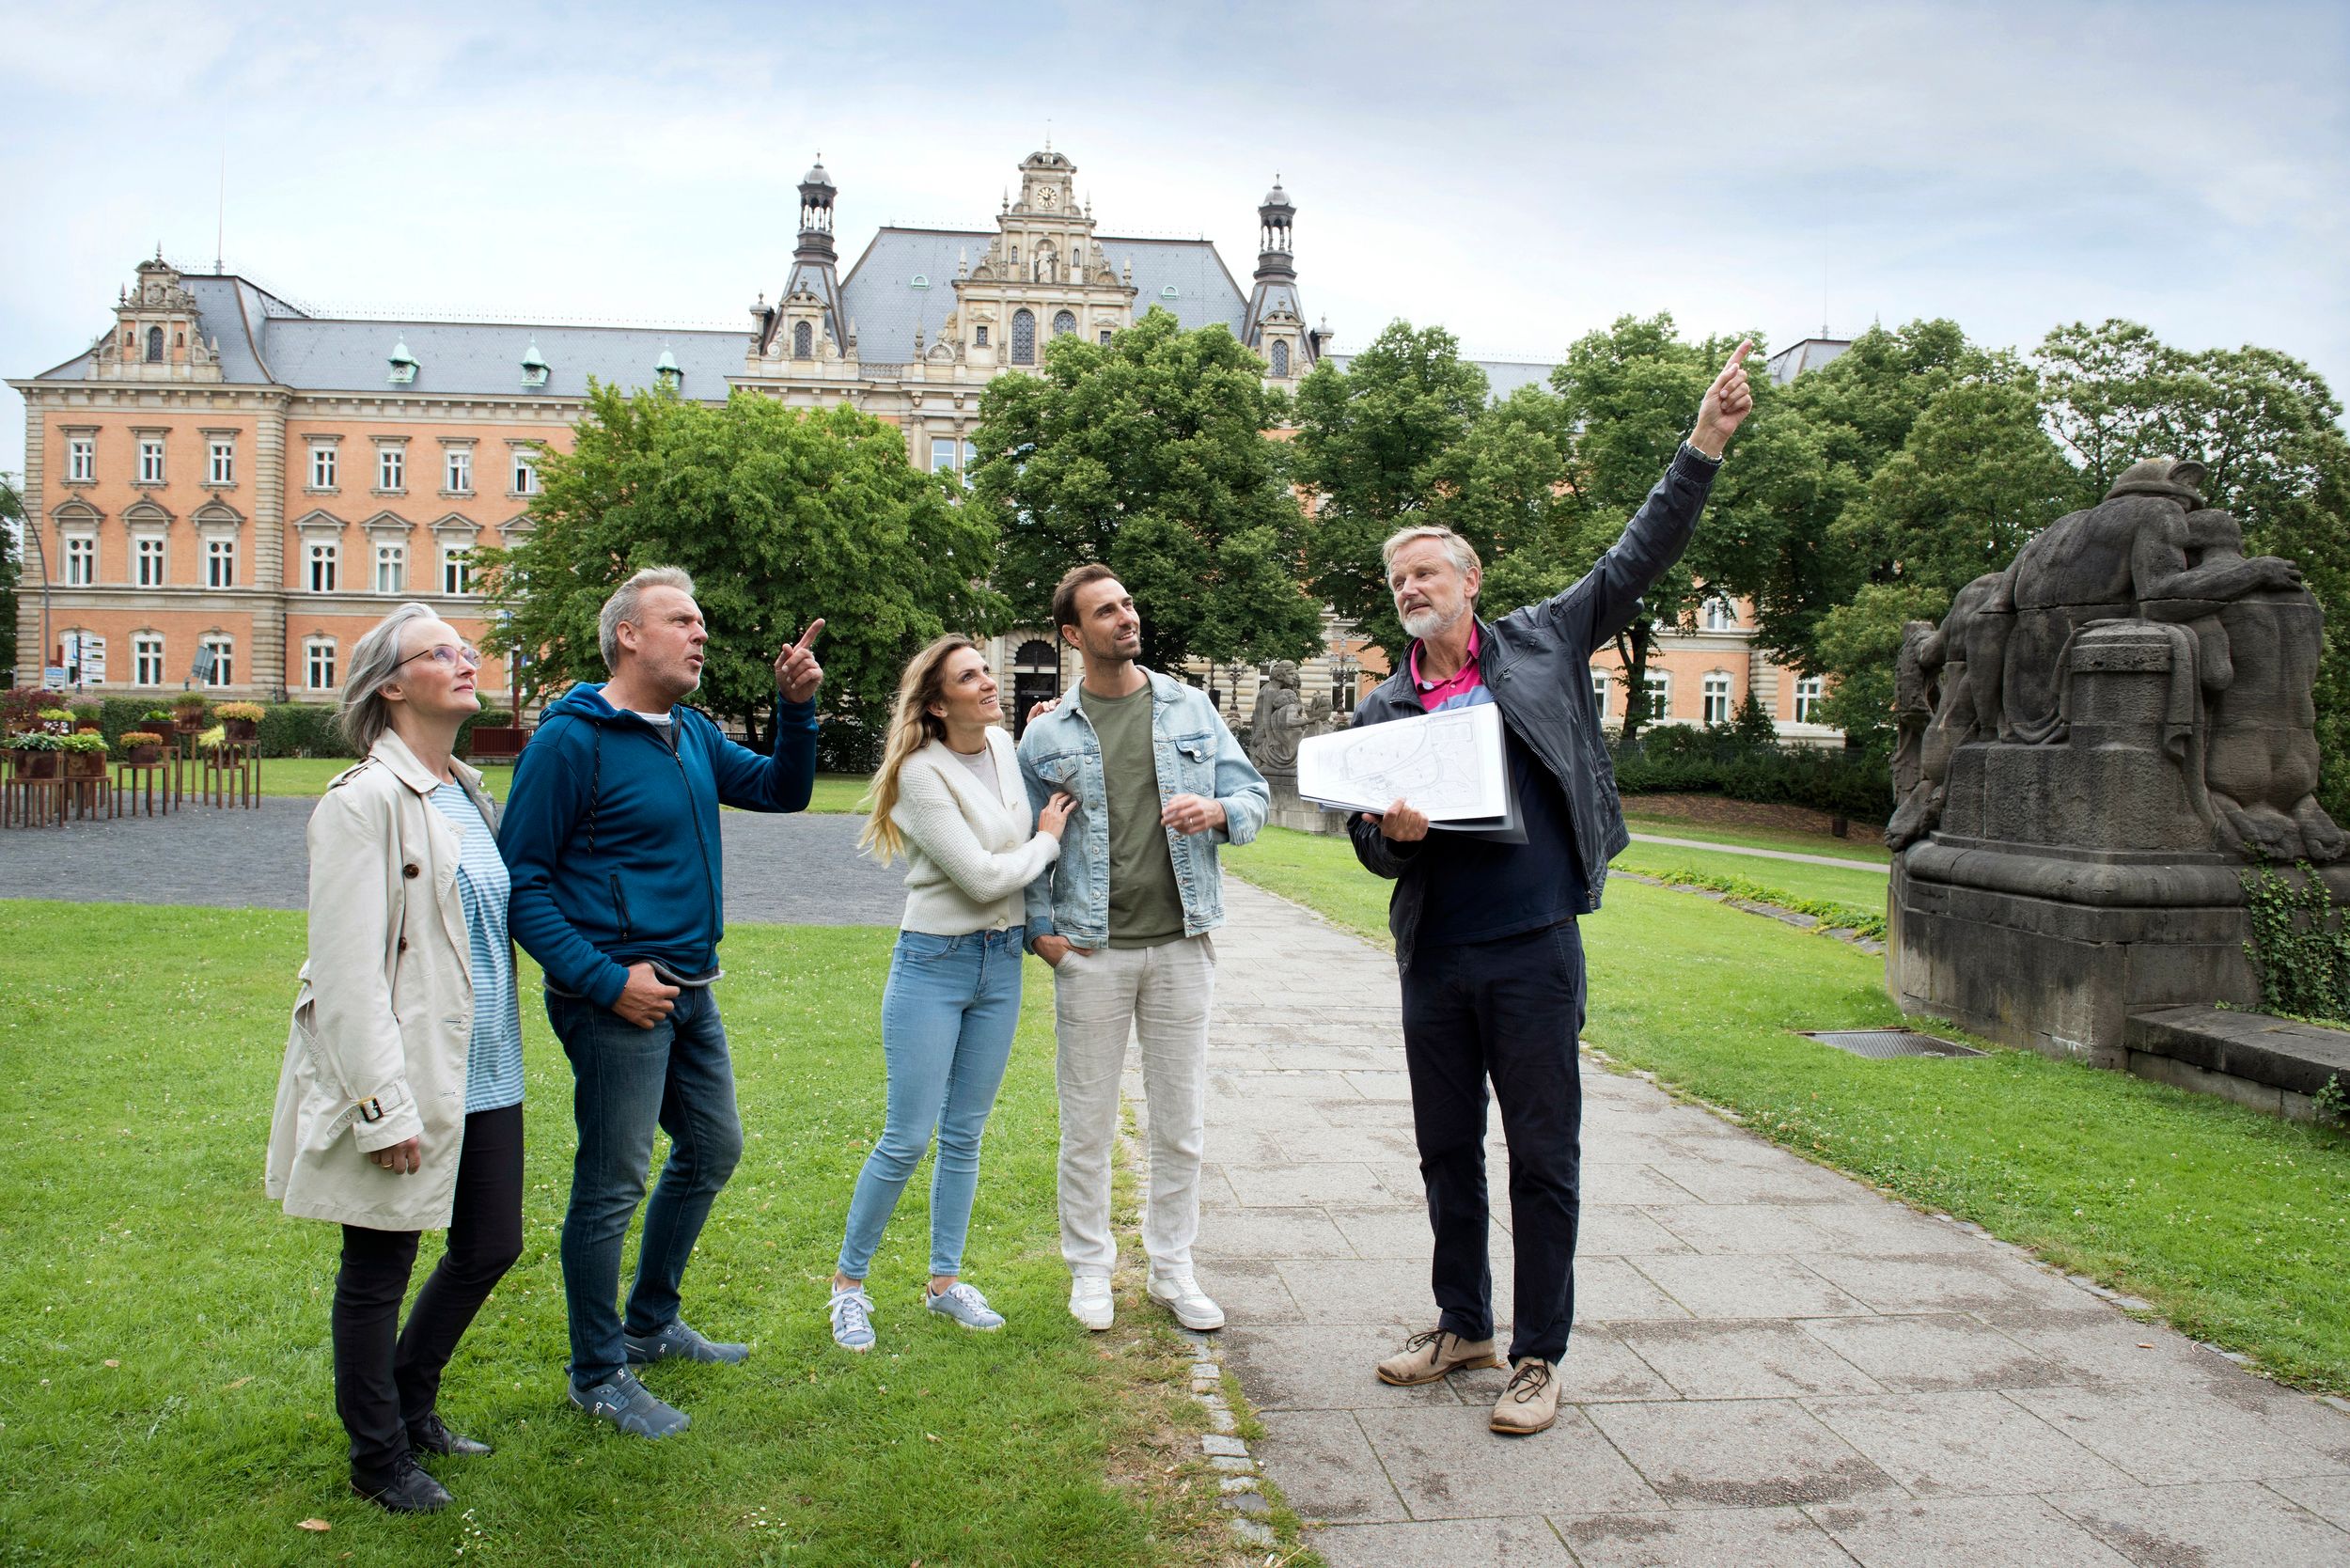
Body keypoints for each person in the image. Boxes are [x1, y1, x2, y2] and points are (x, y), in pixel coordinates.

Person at [1352, 342, 1756, 1436]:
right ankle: (1462, 1324)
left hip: (1532, 944)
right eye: (1397, 582)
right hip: (1435, 953)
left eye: (1425, 574)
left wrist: (1702, 446)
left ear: (1468, 582)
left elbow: (1636, 556)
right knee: (1446, 1150)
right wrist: (1390, 834)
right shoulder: (1383, 710)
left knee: (1541, 1152)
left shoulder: (1541, 641)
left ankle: (1537, 1355)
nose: (1409, 590)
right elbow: (1368, 848)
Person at [500, 566, 824, 1439]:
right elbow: (521, 883)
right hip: (613, 1000)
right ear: (628, 636)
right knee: (612, 1185)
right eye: (681, 619)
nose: (700, 633)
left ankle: (648, 1324)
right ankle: (596, 1372)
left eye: (703, 621)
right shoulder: (571, 742)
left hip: (690, 989)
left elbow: (782, 790)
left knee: (712, 1148)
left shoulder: (688, 732)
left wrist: (797, 709)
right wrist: (608, 981)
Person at [265, 603, 524, 1513]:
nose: (464, 659)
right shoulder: (361, 802)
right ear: (389, 683)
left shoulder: (465, 788)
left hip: (487, 1066)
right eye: (439, 652)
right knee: (379, 1268)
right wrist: (380, 1104)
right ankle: (378, 1457)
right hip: (406, 1069)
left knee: (492, 1245)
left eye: (464, 648)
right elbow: (343, 977)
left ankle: (413, 1405)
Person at [1018, 566, 1269, 1333]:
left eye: (1127, 604)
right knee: (1087, 1124)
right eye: (1106, 611)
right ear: (1072, 634)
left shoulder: (1190, 707)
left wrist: (1220, 809)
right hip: (1090, 952)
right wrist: (1043, 935)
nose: (1126, 618)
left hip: (1181, 947)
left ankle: (1172, 1270)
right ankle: (1091, 1272)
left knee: (1179, 1124)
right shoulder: (1045, 733)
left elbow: (1254, 796)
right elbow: (1029, 839)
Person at [825, 636, 1077, 1350]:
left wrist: (1038, 734)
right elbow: (982, 877)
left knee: (964, 1133)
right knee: (906, 1137)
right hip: (933, 962)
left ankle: (944, 1283)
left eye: (987, 670)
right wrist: (1048, 838)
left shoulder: (1003, 746)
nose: (988, 682)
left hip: (999, 964)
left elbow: (1014, 826)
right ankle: (849, 1286)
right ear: (937, 703)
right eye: (971, 676)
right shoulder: (917, 775)